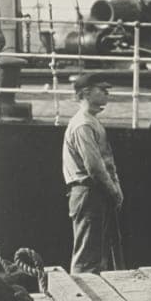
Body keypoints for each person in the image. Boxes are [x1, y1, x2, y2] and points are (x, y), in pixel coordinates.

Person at [63, 72, 124, 274]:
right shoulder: (83, 125)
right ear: (86, 93)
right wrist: (114, 191)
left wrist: (114, 188)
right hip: (88, 192)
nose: (107, 94)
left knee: (97, 253)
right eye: (102, 90)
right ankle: (79, 298)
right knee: (87, 256)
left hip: (96, 192)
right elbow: (94, 167)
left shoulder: (91, 121)